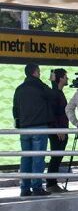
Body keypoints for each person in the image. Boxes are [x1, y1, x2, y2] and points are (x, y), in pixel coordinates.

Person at [12, 63, 55, 197]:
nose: (40, 74)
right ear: (35, 72)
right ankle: (37, 188)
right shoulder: (40, 86)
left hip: (24, 128)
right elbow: (54, 96)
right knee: (38, 159)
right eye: (39, 71)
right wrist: (53, 82)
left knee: (26, 159)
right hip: (39, 127)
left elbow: (15, 109)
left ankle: (24, 188)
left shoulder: (19, 89)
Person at [46, 68, 69, 193]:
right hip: (57, 130)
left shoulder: (58, 92)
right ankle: (51, 183)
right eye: (66, 77)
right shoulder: (54, 93)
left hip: (61, 129)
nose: (67, 79)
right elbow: (52, 113)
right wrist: (58, 129)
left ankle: (52, 182)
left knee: (57, 156)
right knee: (56, 156)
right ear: (60, 78)